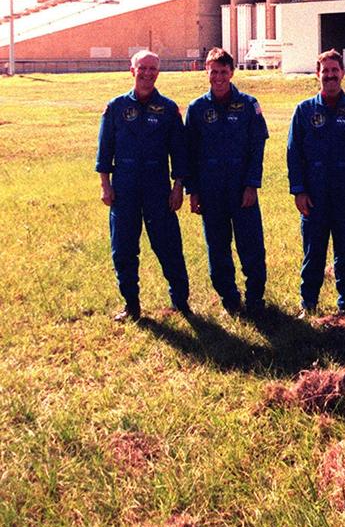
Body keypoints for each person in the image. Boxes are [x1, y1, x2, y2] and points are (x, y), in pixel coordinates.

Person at [96, 49, 190, 321]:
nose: (147, 73)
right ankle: (131, 305)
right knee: (123, 247)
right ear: (132, 70)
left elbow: (179, 152)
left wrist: (178, 186)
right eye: (143, 68)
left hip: (157, 187)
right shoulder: (116, 107)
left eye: (153, 69)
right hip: (124, 187)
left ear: (158, 73)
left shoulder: (169, 109)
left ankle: (181, 301)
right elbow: (105, 150)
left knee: (168, 245)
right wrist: (105, 185)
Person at [287, 49, 345, 317]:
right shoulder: (303, 111)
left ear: (343, 73)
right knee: (313, 251)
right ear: (317, 74)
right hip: (313, 194)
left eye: (335, 71)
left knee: (344, 252)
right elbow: (294, 153)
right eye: (325, 71)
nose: (330, 76)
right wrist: (299, 191)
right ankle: (308, 303)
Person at [184, 47, 269, 318]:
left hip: (241, 189)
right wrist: (193, 191)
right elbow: (189, 153)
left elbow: (257, 148)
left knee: (251, 245)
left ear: (232, 72)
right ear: (205, 72)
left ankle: (255, 298)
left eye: (223, 71)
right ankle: (229, 298)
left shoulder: (248, 105)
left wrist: (251, 185)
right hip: (211, 192)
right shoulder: (197, 109)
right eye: (213, 71)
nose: (218, 77)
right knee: (217, 247)